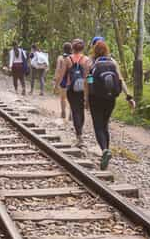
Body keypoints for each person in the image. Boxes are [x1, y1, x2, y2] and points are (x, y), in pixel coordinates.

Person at [85, 39, 136, 170]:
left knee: (97, 125)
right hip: (110, 98)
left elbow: (88, 83)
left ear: (94, 50)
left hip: (95, 98)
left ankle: (104, 151)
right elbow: (120, 80)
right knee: (105, 125)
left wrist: (86, 99)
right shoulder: (113, 62)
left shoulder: (91, 63)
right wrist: (128, 97)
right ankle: (106, 150)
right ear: (106, 49)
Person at [62, 39, 90, 146]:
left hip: (71, 89)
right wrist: (90, 89)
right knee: (81, 111)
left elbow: (62, 74)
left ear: (72, 48)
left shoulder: (68, 59)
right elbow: (89, 77)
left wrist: (57, 85)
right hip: (83, 89)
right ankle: (80, 133)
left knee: (74, 111)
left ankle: (79, 136)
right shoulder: (86, 60)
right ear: (82, 48)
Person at [53, 42, 73, 119]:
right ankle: (71, 114)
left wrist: (55, 80)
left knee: (63, 97)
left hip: (63, 79)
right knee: (71, 98)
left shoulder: (60, 58)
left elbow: (58, 69)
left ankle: (63, 112)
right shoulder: (73, 57)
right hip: (71, 80)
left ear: (63, 49)